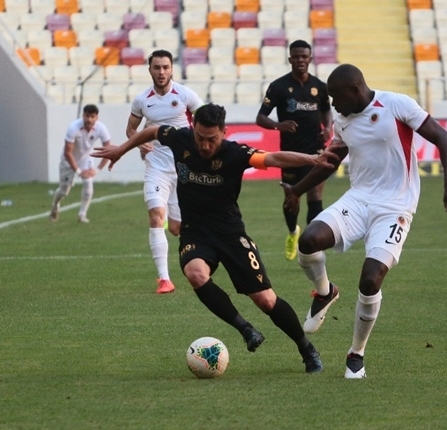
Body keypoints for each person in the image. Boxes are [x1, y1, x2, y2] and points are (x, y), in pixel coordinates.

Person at [93, 103, 340, 373]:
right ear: (193, 130)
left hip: (231, 233)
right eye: (200, 137)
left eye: (212, 139)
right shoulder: (180, 138)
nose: (205, 145)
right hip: (196, 232)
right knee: (195, 274)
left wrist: (313, 160)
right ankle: (245, 329)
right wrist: (120, 149)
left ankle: (306, 348)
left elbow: (272, 158)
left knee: (266, 300)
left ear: (223, 132)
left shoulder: (235, 153)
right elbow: (151, 131)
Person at [280, 64, 447, 379]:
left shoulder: (397, 104)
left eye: (335, 97)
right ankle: (325, 292)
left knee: (370, 280)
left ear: (355, 90)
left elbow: (443, 138)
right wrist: (298, 191)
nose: (333, 105)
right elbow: (332, 160)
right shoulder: (343, 120)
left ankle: (356, 352)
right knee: (309, 240)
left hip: (395, 207)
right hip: (359, 200)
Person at [127, 50, 205, 294]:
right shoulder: (142, 100)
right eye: (156, 67)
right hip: (156, 168)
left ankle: (202, 257)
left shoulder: (185, 94)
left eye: (165, 67)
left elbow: (207, 121)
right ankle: (164, 279)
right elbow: (131, 129)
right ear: (149, 70)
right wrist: (140, 143)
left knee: (176, 228)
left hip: (183, 170)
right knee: (155, 215)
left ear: (172, 69)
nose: (161, 72)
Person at [256, 40, 333, 262]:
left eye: (304, 56)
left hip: (316, 150)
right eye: (296, 57)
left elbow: (327, 112)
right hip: (289, 153)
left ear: (310, 58)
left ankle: (312, 243)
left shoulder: (319, 86)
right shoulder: (279, 87)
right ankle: (292, 233)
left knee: (315, 195)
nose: (300, 60)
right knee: (292, 197)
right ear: (290, 59)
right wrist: (278, 125)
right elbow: (261, 117)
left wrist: (327, 128)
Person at [49, 104, 112, 223]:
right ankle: (55, 205)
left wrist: (96, 170)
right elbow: (68, 152)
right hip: (68, 161)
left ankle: (82, 215)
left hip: (86, 159)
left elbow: (108, 150)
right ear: (83, 115)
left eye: (92, 117)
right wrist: (78, 171)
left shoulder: (101, 128)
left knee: (88, 185)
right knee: (64, 191)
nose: (89, 119)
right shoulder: (73, 127)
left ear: (96, 117)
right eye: (87, 116)